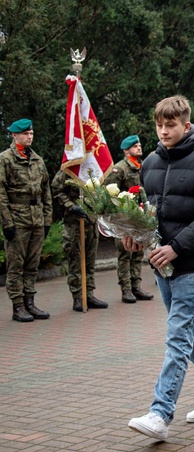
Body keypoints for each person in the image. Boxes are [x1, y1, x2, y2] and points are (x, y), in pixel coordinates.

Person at [126, 95, 194, 441]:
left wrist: (176, 247)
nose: (163, 130)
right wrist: (133, 236)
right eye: (159, 125)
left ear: (186, 125)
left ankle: (160, 413)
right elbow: (147, 214)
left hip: (193, 263)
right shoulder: (150, 164)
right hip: (162, 265)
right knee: (192, 330)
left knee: (178, 336)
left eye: (170, 124)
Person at [0, 119, 52, 322]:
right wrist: (7, 223)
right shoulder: (5, 159)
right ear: (14, 135)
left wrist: (47, 220)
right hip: (17, 218)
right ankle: (18, 305)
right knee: (16, 264)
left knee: (32, 264)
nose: (29, 136)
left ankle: (30, 302)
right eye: (25, 133)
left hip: (36, 218)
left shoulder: (38, 160)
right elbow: (1, 193)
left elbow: (46, 191)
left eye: (31, 133)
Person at [103, 135, 156, 302]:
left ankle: (136, 286)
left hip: (140, 216)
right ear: (126, 150)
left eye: (139, 145)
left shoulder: (143, 166)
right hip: (125, 218)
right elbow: (110, 193)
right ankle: (126, 289)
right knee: (125, 254)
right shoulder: (120, 169)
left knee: (138, 252)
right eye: (135, 146)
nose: (139, 148)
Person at [51, 169, 109, 311]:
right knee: (76, 261)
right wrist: (71, 206)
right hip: (75, 223)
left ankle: (89, 294)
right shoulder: (69, 167)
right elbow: (56, 190)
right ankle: (78, 297)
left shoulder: (93, 166)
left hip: (91, 221)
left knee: (90, 261)